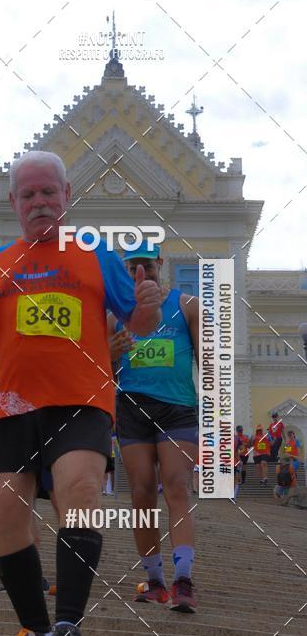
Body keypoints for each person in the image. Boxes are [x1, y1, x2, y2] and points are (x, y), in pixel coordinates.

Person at [0, 150, 161, 636]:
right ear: (14, 203)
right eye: (28, 194)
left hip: (81, 401)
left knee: (79, 493)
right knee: (6, 518)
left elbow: (142, 324)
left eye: (48, 192)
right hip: (10, 409)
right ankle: (35, 633)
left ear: (66, 196)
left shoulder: (94, 254)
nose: (39, 202)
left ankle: (68, 632)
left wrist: (147, 302)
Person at [108, 242, 199, 612]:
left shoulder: (186, 305)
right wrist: (111, 351)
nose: (139, 272)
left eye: (146, 264)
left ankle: (183, 579)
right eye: (132, 267)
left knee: (177, 485)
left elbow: (209, 360)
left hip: (177, 408)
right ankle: (155, 579)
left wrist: (215, 415)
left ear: (161, 263)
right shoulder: (116, 312)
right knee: (142, 492)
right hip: (132, 407)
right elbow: (102, 364)